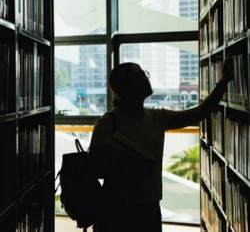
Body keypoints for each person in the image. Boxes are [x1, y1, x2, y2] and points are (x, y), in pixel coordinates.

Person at [89, 57, 233, 232]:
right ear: (124, 87)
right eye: (139, 76)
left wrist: (224, 81)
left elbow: (199, 113)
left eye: (145, 74)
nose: (146, 78)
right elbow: (95, 168)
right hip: (116, 210)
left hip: (149, 208)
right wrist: (130, 166)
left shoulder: (157, 117)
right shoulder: (108, 122)